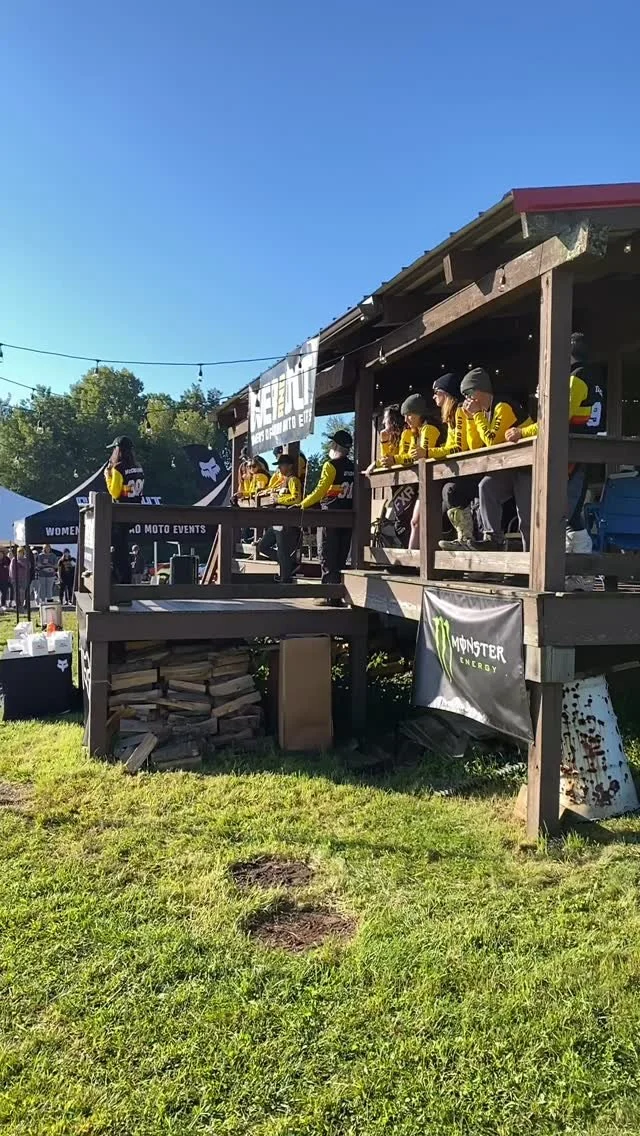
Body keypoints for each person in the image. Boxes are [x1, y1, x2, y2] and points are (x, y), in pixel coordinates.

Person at [500, 332, 599, 587]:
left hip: (570, 456)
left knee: (561, 516)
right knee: (571, 517)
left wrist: (522, 432)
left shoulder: (575, 379)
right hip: (583, 453)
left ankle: (576, 575)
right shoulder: (594, 378)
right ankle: (578, 576)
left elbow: (555, 421)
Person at [439, 368, 529, 550]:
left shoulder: (502, 406)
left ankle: (531, 557)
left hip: (527, 466)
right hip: (509, 467)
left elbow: (491, 440)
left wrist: (477, 415)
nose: (467, 399)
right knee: (486, 486)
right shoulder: (485, 411)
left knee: (526, 518)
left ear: (479, 390)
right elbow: (474, 445)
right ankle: (493, 538)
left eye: (468, 394)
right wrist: (471, 420)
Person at [408, 374, 462, 550]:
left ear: (447, 394)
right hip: (441, 477)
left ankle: (422, 558)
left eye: (437, 392)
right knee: (417, 521)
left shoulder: (433, 426)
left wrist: (427, 453)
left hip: (445, 477)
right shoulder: (449, 417)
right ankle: (416, 557)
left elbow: (457, 447)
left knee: (422, 521)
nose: (434, 397)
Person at [298, 429, 354, 599]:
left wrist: (302, 504)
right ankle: (337, 595)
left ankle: (328, 595)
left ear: (335, 445)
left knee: (327, 556)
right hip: (348, 517)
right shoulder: (354, 467)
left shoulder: (330, 466)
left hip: (329, 516)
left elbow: (320, 490)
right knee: (341, 557)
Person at [104, 435, 145, 585]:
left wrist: (108, 477)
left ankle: (121, 581)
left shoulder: (118, 468)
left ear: (118, 450)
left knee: (118, 550)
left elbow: (115, 493)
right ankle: (124, 579)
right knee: (123, 547)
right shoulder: (139, 467)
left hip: (120, 514)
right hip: (134, 512)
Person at [256, 453, 303, 582]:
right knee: (262, 546)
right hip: (277, 520)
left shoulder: (293, 480)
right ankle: (289, 564)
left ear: (290, 466)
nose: (279, 468)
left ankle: (285, 578)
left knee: (282, 550)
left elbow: (297, 498)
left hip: (286, 520)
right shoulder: (282, 481)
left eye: (281, 465)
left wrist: (278, 499)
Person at [381, 394, 440, 467]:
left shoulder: (429, 429)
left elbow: (420, 456)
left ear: (419, 414)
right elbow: (406, 456)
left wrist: (395, 460)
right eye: (404, 416)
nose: (405, 420)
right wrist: (384, 443)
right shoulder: (413, 431)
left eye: (408, 415)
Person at [366, 405, 404, 472]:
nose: (383, 422)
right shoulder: (393, 438)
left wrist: (376, 464)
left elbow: (400, 459)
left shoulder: (405, 434)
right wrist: (384, 442)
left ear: (393, 421)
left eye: (386, 418)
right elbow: (386, 459)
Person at [9, 547, 29, 611]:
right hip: (15, 579)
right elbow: (11, 570)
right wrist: (13, 579)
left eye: (22, 552)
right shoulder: (14, 560)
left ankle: (21, 605)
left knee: (22, 593)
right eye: (19, 552)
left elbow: (28, 567)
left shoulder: (25, 560)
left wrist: (20, 562)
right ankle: (18, 606)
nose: (20, 554)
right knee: (16, 593)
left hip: (24, 579)